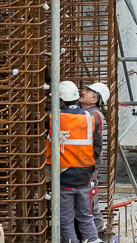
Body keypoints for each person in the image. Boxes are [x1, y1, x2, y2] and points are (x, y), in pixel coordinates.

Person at [48, 80, 102, 243]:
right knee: (86, 216)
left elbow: (33, 118)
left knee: (66, 219)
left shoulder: (54, 118)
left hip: (66, 175)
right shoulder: (90, 118)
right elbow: (97, 147)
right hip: (85, 175)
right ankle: (93, 240)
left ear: (60, 100)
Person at [78, 82, 111, 241]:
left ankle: (98, 231)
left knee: (90, 196)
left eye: (88, 91)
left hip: (88, 164)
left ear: (94, 100)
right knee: (89, 194)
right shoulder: (90, 113)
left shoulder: (92, 115)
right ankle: (98, 229)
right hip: (87, 162)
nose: (83, 92)